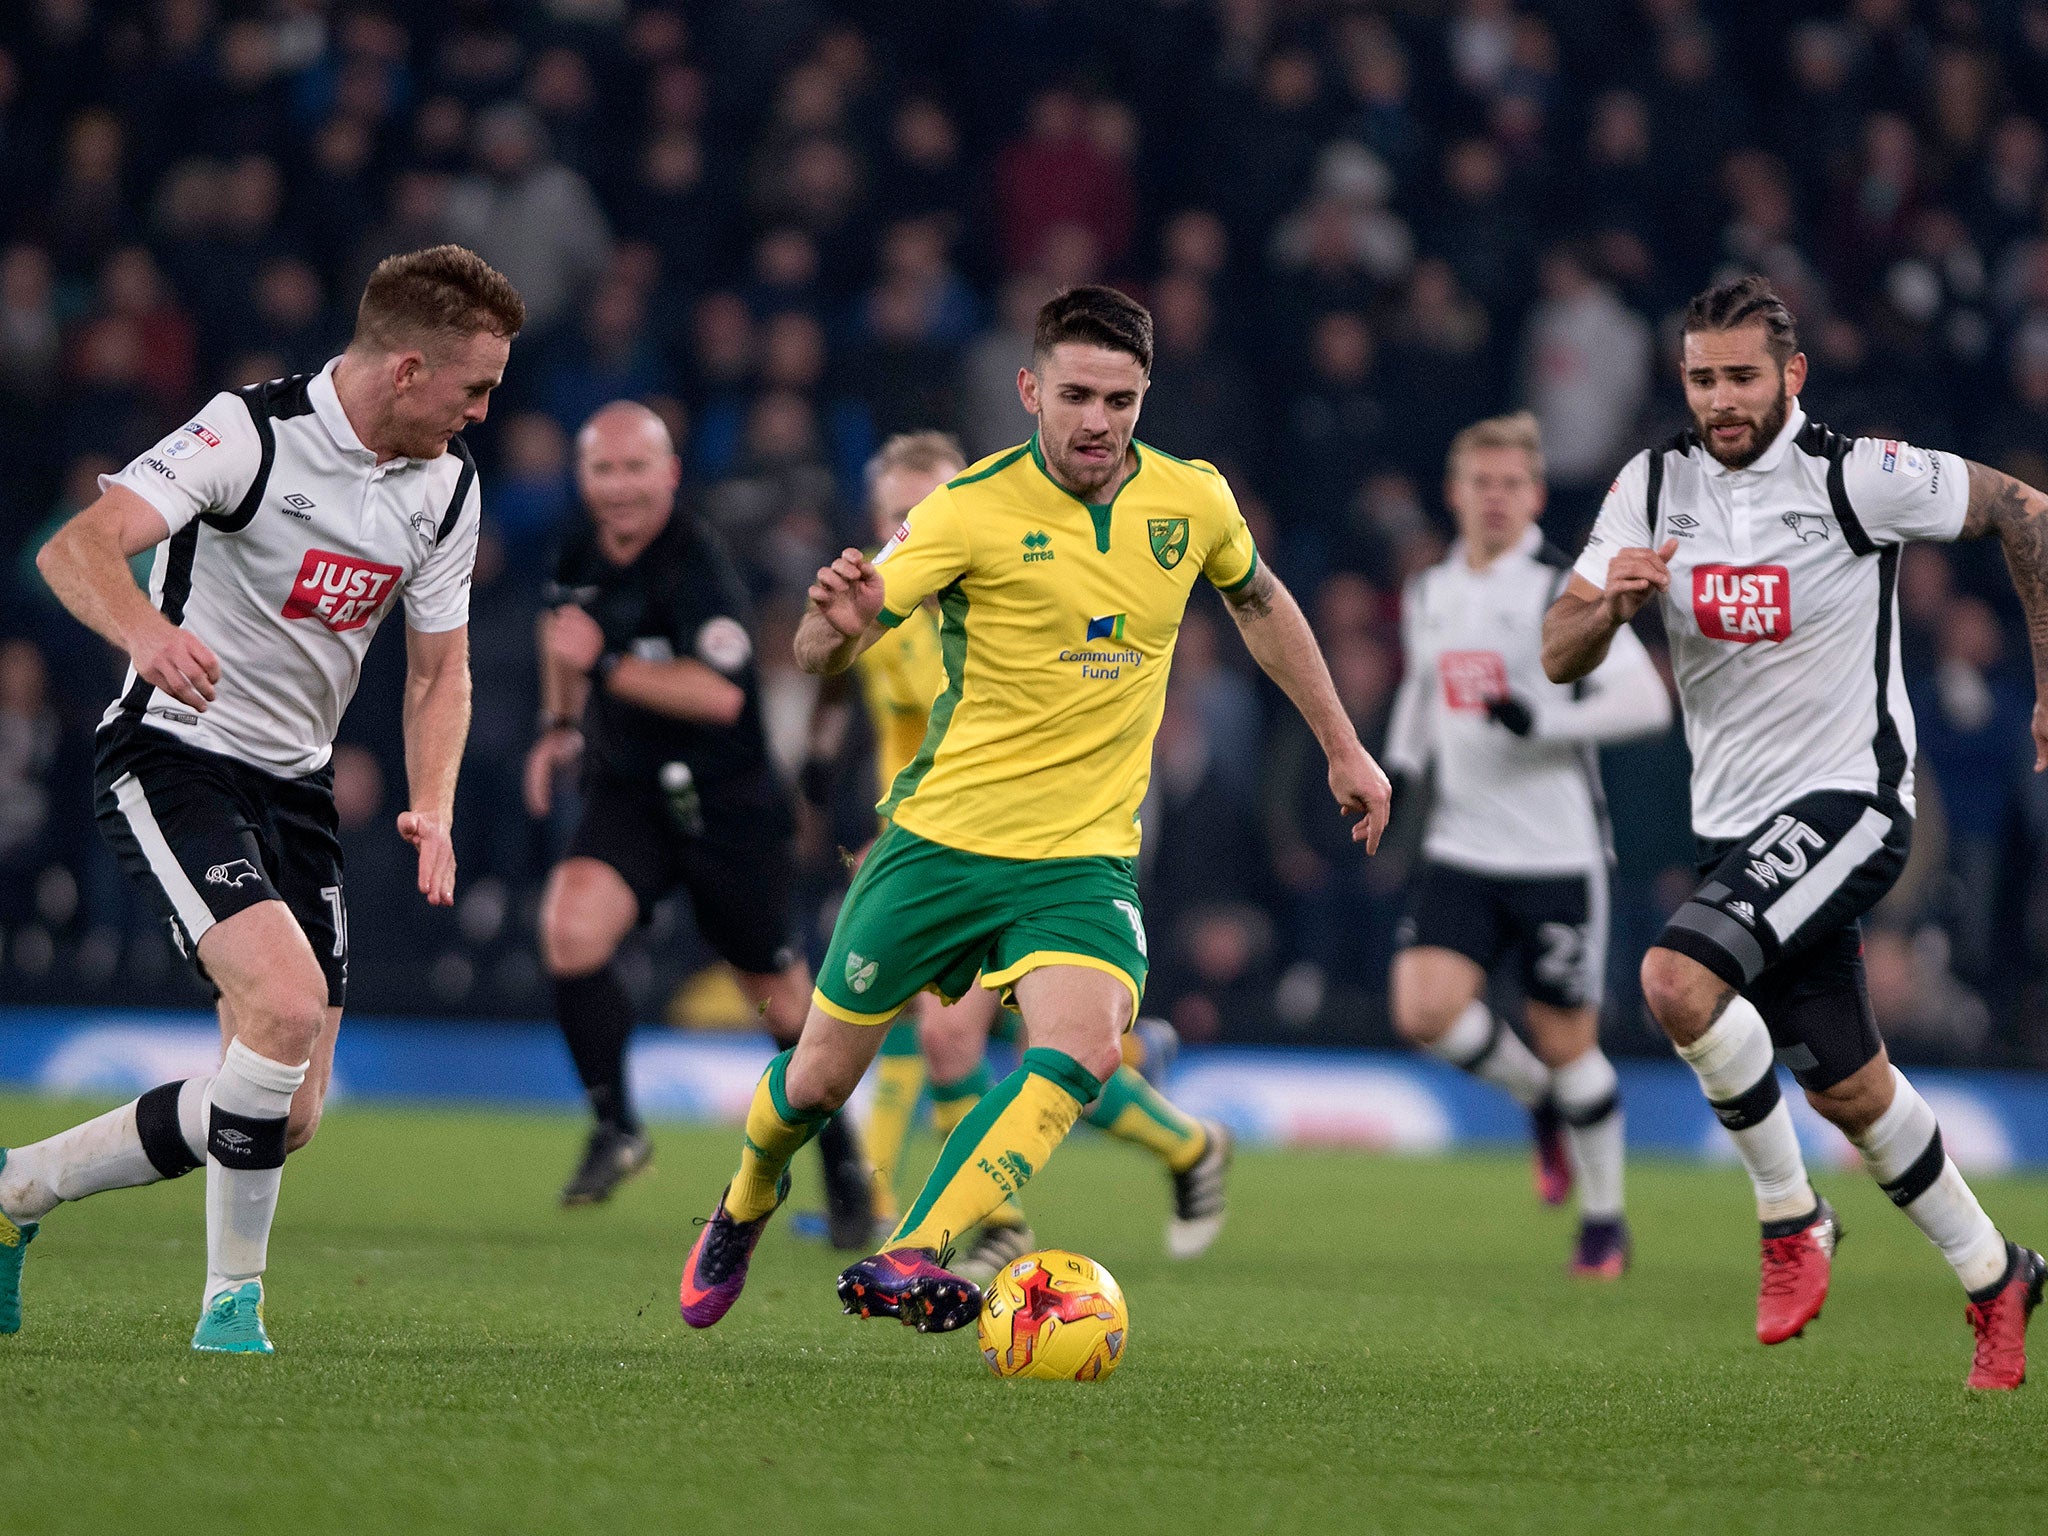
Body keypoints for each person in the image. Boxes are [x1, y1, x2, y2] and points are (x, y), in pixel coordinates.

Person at [679, 284, 1393, 1336]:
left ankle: (914, 1249)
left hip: (1080, 862)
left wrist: (1342, 745)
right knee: (818, 1082)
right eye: (1075, 396)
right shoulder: (966, 508)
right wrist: (832, 625)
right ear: (1029, 390)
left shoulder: (1192, 499)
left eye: (1120, 399)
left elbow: (1260, 603)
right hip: (938, 845)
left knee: (1086, 1047)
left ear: (1144, 395)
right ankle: (742, 1203)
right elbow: (824, 646)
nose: (1098, 421)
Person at [0, 245, 523, 1353]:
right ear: (407, 369)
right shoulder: (249, 432)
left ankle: (17, 1190)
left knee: (284, 1113)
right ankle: (231, 1308)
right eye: (474, 388)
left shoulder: (447, 487)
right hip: (172, 755)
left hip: (297, 788)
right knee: (283, 1007)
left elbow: (439, 672)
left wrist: (433, 801)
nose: (482, 413)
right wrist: (147, 632)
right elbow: (74, 549)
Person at [1543, 274, 2045, 1389]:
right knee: (1849, 1090)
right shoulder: (1652, 484)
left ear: (1792, 376)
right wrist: (1607, 607)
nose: (1720, 400)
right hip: (1735, 831)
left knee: (1674, 981)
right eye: (1702, 379)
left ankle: (1789, 1216)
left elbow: (2026, 511)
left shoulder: (1857, 475)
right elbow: (1555, 652)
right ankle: (1995, 1272)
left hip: (1852, 802)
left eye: (1741, 377)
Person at [801, 429, 1232, 1281]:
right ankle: (1143, 1159)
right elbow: (865, 712)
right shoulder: (883, 619)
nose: (919, 520)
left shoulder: (1015, 601)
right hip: (930, 851)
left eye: (931, 503)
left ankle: (958, 1212)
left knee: (1002, 1044)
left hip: (1044, 848)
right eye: (898, 512)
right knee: (965, 1041)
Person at [524, 402, 871, 1240]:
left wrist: (605, 665)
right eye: (603, 469)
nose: (619, 486)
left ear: (670, 474)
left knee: (783, 1009)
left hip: (728, 807)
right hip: (632, 794)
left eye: (635, 468)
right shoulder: (575, 552)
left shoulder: (699, 564)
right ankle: (617, 1126)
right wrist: (560, 725)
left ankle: (845, 1171)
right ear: (583, 477)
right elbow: (559, 635)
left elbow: (718, 696)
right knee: (569, 930)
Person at [1387, 412, 1670, 1279]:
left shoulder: (1562, 586)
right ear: (1455, 493)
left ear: (1537, 495)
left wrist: (1542, 720)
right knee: (1423, 1010)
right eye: (1482, 482)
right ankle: (1539, 1101)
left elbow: (1647, 704)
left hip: (1555, 854)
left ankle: (1605, 1223)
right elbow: (1424, 692)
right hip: (1460, 845)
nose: (1496, 498)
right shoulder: (1429, 590)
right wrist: (1392, 771)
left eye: (1512, 484)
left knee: (1567, 1040)